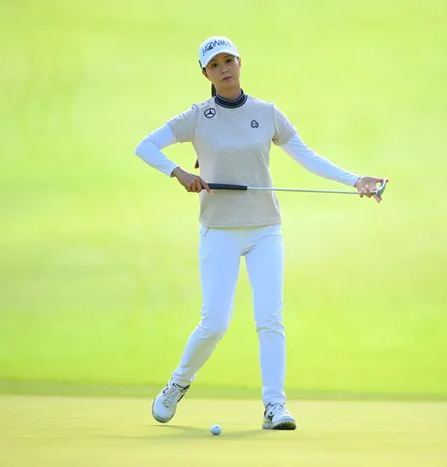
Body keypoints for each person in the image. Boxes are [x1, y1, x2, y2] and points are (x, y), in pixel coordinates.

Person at [134, 36, 386, 430]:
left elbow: (307, 156)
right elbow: (146, 146)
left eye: (229, 60)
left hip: (264, 229)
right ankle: (178, 383)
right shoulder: (198, 117)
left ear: (240, 63)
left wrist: (355, 180)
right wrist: (178, 172)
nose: (224, 69)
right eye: (215, 65)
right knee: (215, 322)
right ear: (205, 74)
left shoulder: (266, 113)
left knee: (270, 318)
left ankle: (275, 406)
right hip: (219, 230)